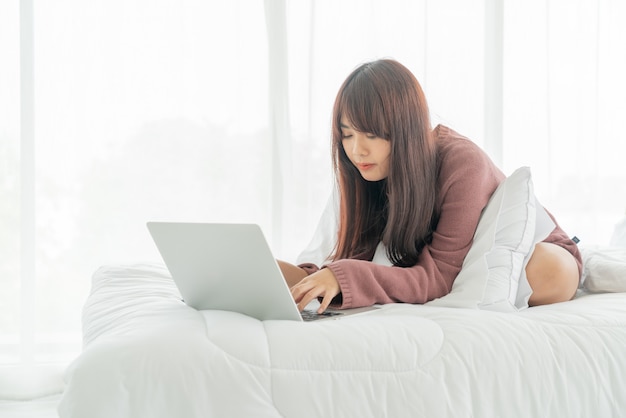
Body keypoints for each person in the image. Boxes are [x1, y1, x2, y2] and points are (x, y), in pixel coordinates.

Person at [278, 59, 581, 314]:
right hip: (439, 258)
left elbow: (438, 277)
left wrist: (344, 278)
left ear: (405, 127)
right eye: (347, 135)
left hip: (534, 252)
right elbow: (358, 257)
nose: (357, 150)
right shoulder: (364, 170)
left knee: (547, 271)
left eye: (371, 135)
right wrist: (305, 277)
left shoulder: (463, 163)